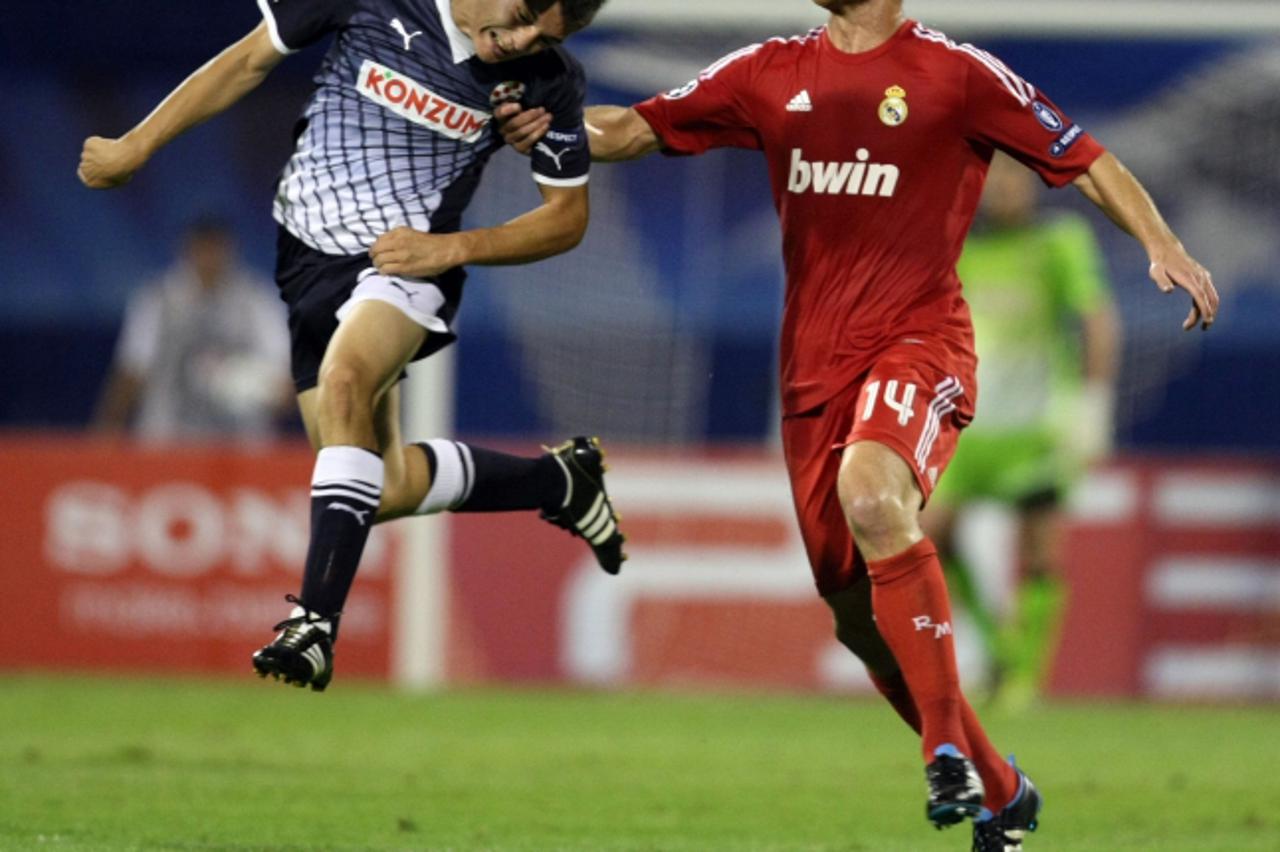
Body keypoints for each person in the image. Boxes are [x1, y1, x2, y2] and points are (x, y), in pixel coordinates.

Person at [498, 1, 1218, 848]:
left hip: (919, 343)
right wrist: (551, 128)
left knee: (874, 497)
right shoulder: (769, 71)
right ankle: (1001, 787)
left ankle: (943, 749)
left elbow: (1085, 157)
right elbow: (635, 129)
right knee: (856, 620)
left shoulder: (956, 75)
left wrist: (1161, 243)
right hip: (812, 374)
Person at [78, 0, 626, 694]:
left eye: (546, 37)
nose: (522, 42)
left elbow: (566, 218)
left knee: (345, 382)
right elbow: (247, 60)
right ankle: (559, 482)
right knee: (383, 487)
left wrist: (450, 249)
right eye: (521, 16)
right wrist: (136, 144)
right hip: (307, 263)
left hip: (405, 262)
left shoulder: (547, 79)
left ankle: (312, 625)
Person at [922, 152, 1121, 714]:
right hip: (969, 425)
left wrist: (1094, 405)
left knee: (1039, 552)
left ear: (1032, 185)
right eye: (994, 179)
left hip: (1038, 423)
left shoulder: (1059, 242)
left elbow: (1096, 319)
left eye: (1014, 178)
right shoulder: (958, 246)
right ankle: (999, 649)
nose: (1004, 189)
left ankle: (1023, 681)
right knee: (930, 534)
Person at [93, 217, 295, 442]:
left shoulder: (258, 300)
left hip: (241, 446)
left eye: (215, 249)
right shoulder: (158, 299)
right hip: (168, 442)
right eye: (202, 250)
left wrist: (254, 388)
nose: (209, 259)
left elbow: (285, 380)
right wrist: (107, 433)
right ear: (187, 250)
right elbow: (132, 371)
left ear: (230, 251)